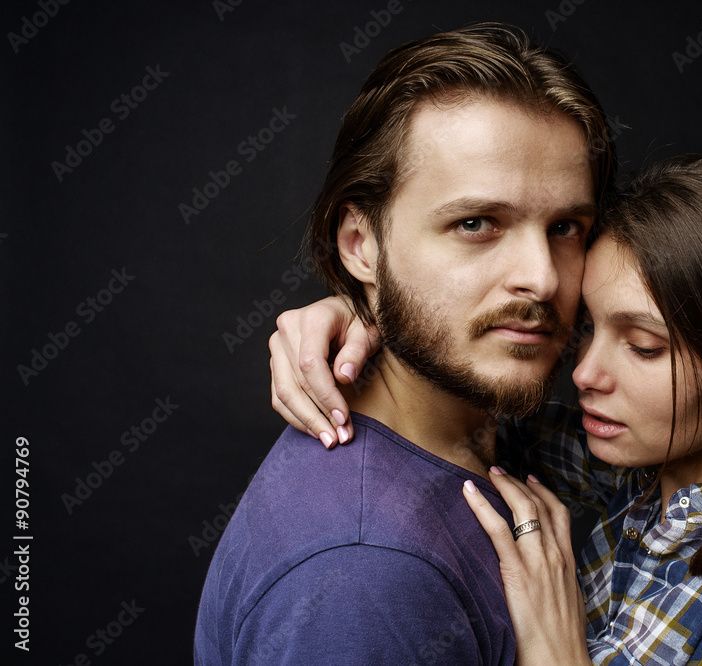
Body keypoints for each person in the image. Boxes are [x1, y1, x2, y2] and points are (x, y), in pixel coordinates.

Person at [269, 153, 702, 662]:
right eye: (589, 330)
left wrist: (556, 655)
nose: (584, 373)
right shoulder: (646, 473)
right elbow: (474, 414)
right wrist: (363, 312)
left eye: (643, 346)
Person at [194, 22, 615, 664]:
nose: (543, 276)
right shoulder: (363, 578)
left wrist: (369, 302)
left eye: (565, 227)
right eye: (475, 223)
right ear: (361, 244)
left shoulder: (486, 436)